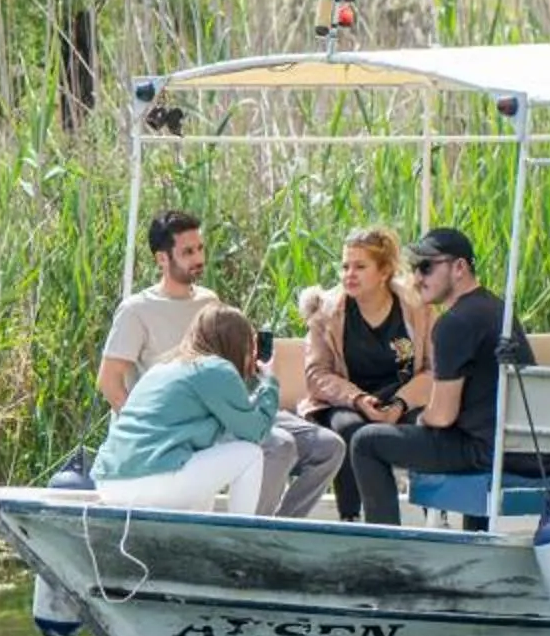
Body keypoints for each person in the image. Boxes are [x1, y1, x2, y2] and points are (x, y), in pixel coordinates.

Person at [97, 208, 342, 517]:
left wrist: (256, 370)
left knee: (328, 447)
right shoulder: (136, 311)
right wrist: (161, 431)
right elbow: (109, 382)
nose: (198, 258)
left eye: (200, 248)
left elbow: (230, 374)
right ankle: (256, 533)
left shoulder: (210, 301)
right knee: (277, 444)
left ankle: (283, 529)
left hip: (230, 405)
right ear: (162, 258)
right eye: (187, 252)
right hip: (181, 426)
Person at [347, 227, 523, 531]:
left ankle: (385, 556)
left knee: (366, 441)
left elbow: (442, 416)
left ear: (459, 268)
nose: (417, 278)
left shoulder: (454, 323)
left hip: (481, 452)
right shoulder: (498, 310)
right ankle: (475, 541)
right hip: (513, 447)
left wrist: (419, 421)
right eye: (416, 268)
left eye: (427, 267)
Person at [300, 226, 438, 522]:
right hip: (345, 401)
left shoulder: (417, 310)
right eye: (345, 266)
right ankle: (352, 518)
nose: (349, 274)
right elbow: (316, 374)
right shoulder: (326, 312)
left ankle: (433, 516)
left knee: (426, 427)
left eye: (360, 267)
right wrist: (358, 399)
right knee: (352, 431)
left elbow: (432, 369)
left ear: (385, 270)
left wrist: (400, 404)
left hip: (402, 399)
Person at [88, 302, 275, 513]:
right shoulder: (216, 368)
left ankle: (193, 538)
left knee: (206, 454)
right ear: (237, 343)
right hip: (154, 482)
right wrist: (268, 381)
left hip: (109, 484)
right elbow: (255, 433)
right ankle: (239, 539)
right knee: (250, 454)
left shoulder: (161, 368)